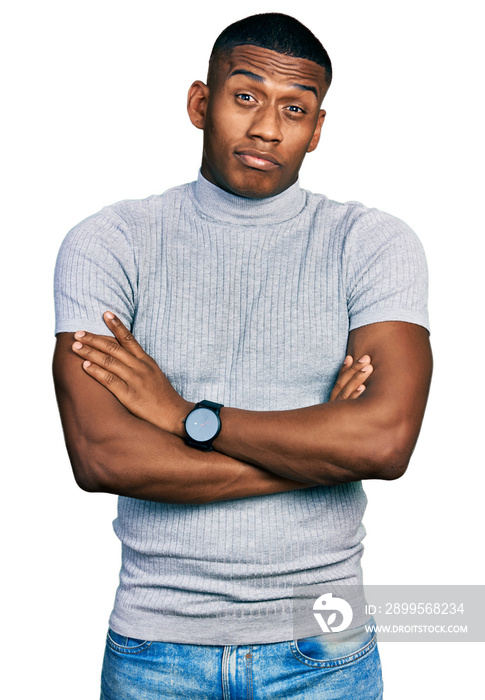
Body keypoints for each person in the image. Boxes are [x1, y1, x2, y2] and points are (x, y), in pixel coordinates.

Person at [53, 12, 432, 699]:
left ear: (317, 130)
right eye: (245, 96)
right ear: (202, 103)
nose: (266, 128)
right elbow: (100, 455)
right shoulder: (111, 241)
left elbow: (383, 441)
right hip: (156, 644)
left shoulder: (371, 242)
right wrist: (315, 447)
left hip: (327, 640)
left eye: (294, 109)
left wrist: (185, 416)